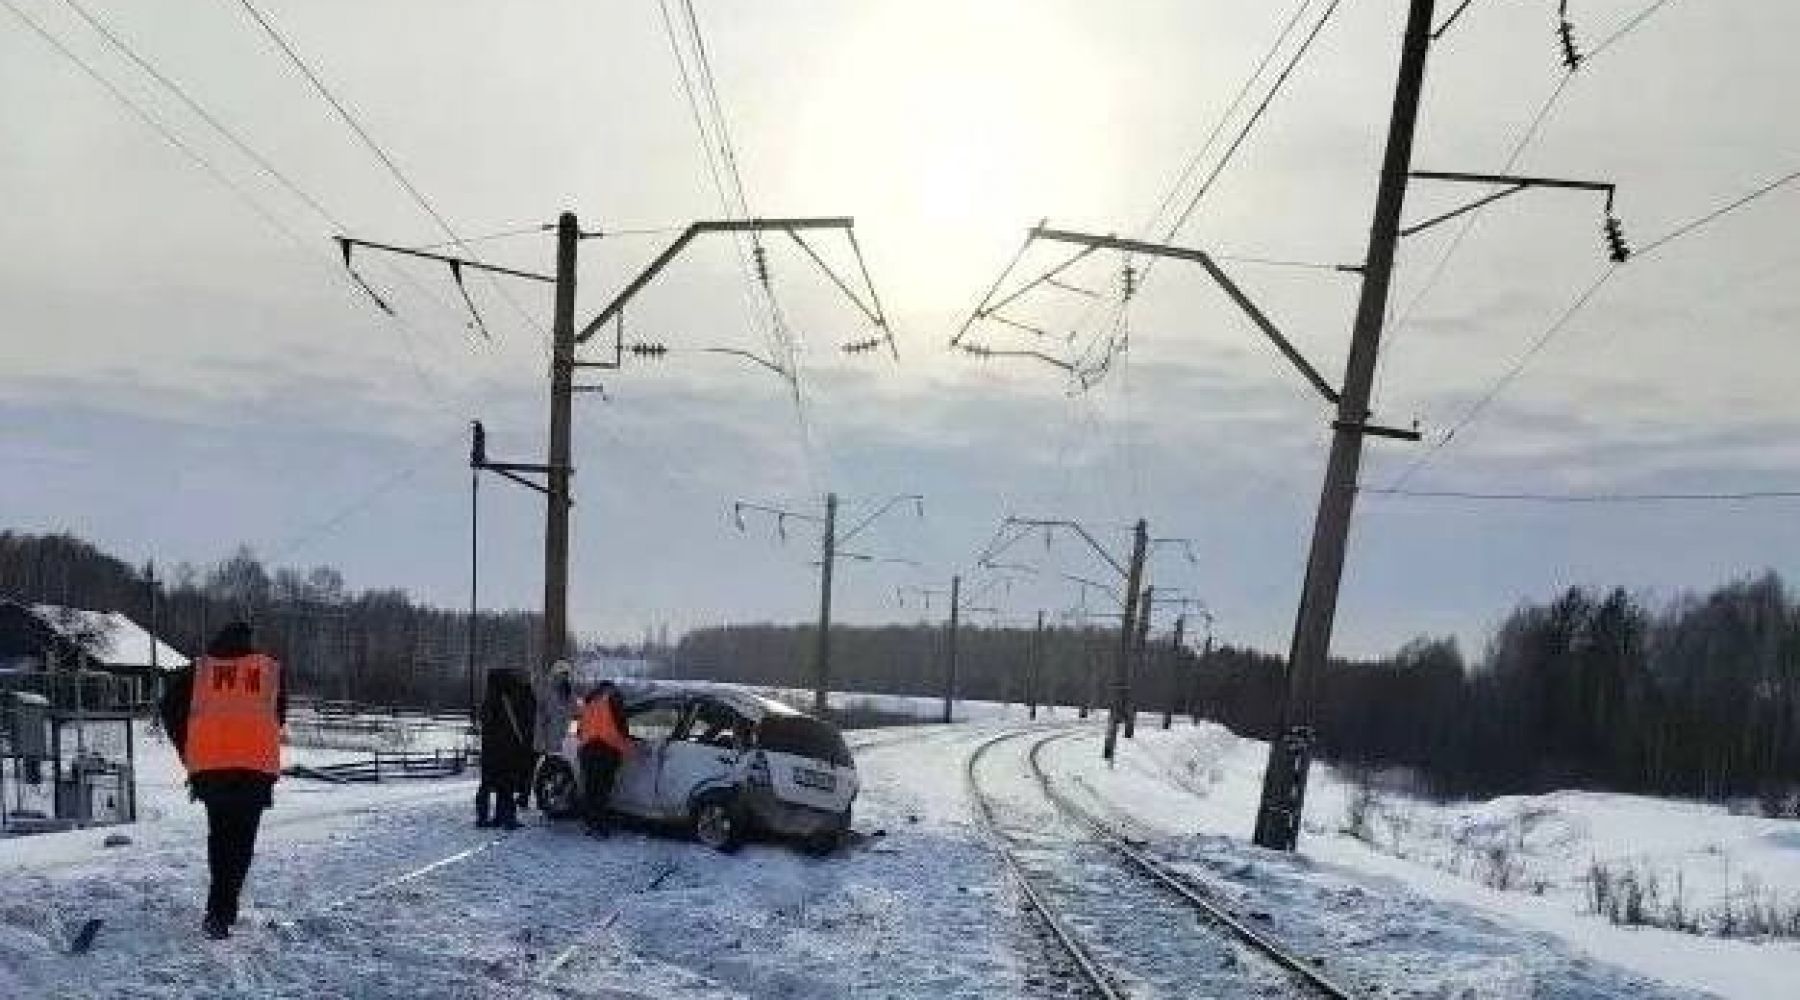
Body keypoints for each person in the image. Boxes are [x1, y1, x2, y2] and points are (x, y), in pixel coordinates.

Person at [157, 621, 286, 940]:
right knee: (241, 842)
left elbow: (168, 707)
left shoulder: (197, 671)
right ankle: (221, 912)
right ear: (249, 642)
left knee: (220, 836)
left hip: (211, 771)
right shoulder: (268, 670)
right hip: (254, 771)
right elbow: (278, 714)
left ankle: (220, 910)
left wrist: (188, 747)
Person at [475, 669, 535, 829]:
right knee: (506, 786)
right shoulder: (511, 698)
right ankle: (506, 818)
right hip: (507, 750)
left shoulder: (490, 698)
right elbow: (524, 719)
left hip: (489, 750)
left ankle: (483, 818)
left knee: (486, 785)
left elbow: (485, 723)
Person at [575, 681, 630, 837]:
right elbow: (622, 726)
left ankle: (591, 824)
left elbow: (580, 730)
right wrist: (625, 746)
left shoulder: (589, 701)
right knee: (603, 790)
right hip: (607, 750)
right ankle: (600, 826)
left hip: (587, 750)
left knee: (591, 788)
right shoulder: (614, 699)